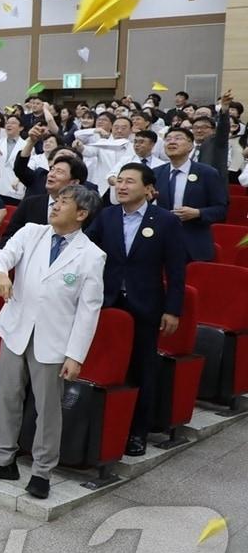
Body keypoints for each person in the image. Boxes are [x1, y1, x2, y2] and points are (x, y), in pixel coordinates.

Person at [0, 185, 106, 499]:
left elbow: (89, 310)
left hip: (53, 339)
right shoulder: (31, 232)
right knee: (8, 396)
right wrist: (1, 275)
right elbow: (2, 257)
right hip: (16, 329)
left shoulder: (91, 255)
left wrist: (75, 355)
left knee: (47, 408)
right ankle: (4, 459)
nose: (55, 206)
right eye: (56, 201)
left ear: (82, 214)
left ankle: (42, 471)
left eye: (64, 202)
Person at [86, 163, 187, 456]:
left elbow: (176, 270)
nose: (122, 186)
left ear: (148, 189)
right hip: (108, 301)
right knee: (107, 363)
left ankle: (138, 432)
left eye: (130, 181)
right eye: (119, 181)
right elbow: (85, 250)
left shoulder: (165, 221)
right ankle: (103, 427)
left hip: (145, 304)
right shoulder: (106, 216)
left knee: (142, 367)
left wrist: (173, 309)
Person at [155, 128, 228, 262]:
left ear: (190, 146)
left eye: (178, 138)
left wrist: (198, 213)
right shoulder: (156, 173)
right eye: (168, 139)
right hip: (161, 242)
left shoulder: (207, 173)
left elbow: (221, 209)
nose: (172, 142)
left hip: (194, 242)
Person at [3, 155, 87, 244]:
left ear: (74, 182)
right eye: (52, 170)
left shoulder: (81, 211)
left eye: (59, 172)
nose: (51, 174)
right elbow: (9, 237)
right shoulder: (30, 203)